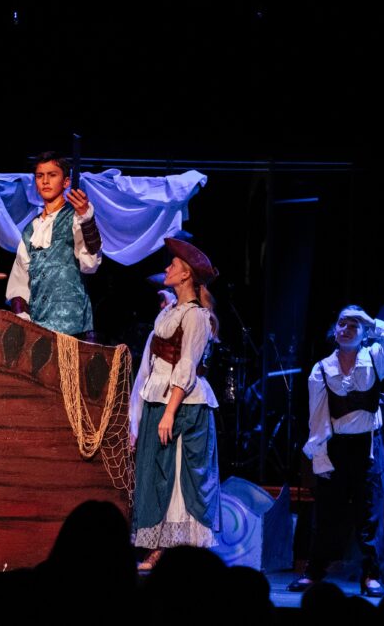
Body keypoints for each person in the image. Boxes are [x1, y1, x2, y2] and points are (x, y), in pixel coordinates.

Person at [288, 306, 384, 597]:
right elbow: (317, 418)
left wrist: (373, 323)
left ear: (364, 333)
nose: (346, 329)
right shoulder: (321, 369)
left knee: (369, 511)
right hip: (337, 446)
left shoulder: (376, 358)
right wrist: (319, 457)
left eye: (354, 326)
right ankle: (315, 571)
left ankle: (371, 574)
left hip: (368, 445)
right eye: (342, 324)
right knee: (327, 512)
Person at [130, 238, 221, 571]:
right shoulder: (173, 311)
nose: (166, 269)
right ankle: (158, 546)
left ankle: (174, 550)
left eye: (172, 266)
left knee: (179, 476)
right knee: (157, 474)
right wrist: (138, 415)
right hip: (160, 400)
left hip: (182, 406)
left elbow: (186, 367)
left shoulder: (196, 316)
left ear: (186, 276)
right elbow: (153, 366)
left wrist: (169, 411)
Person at [6, 151, 102, 338]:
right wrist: (22, 316)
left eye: (52, 175)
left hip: (72, 326)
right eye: (40, 176)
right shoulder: (30, 229)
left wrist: (86, 219)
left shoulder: (76, 217)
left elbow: (90, 264)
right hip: (37, 325)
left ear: (66, 182)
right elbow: (19, 279)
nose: (45, 181)